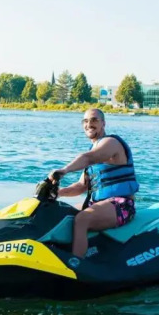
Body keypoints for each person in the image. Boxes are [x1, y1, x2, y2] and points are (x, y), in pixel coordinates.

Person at [49, 108, 139, 259]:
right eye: (85, 121)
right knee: (62, 212)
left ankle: (76, 264)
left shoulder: (111, 143)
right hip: (98, 204)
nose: (89, 124)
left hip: (121, 205)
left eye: (94, 120)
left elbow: (88, 158)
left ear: (103, 123)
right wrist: (57, 192)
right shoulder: (93, 150)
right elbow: (80, 186)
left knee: (82, 219)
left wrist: (64, 170)